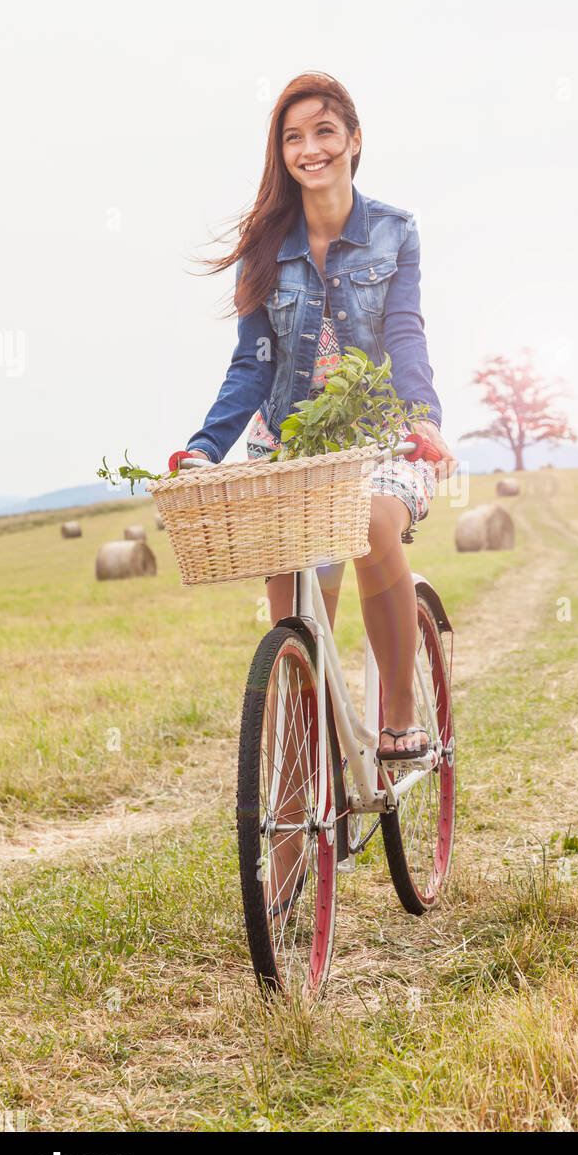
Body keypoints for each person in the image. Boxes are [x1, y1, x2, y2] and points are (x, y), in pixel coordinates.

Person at [172, 71, 456, 758]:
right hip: (289, 445)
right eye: (293, 137)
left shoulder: (393, 233)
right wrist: (206, 446)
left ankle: (397, 709)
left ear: (354, 141)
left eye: (324, 131)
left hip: (382, 438)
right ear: (283, 154)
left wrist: (421, 418)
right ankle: (294, 824)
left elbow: (405, 335)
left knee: (367, 522)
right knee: (298, 624)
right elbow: (252, 365)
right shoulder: (265, 248)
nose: (310, 148)